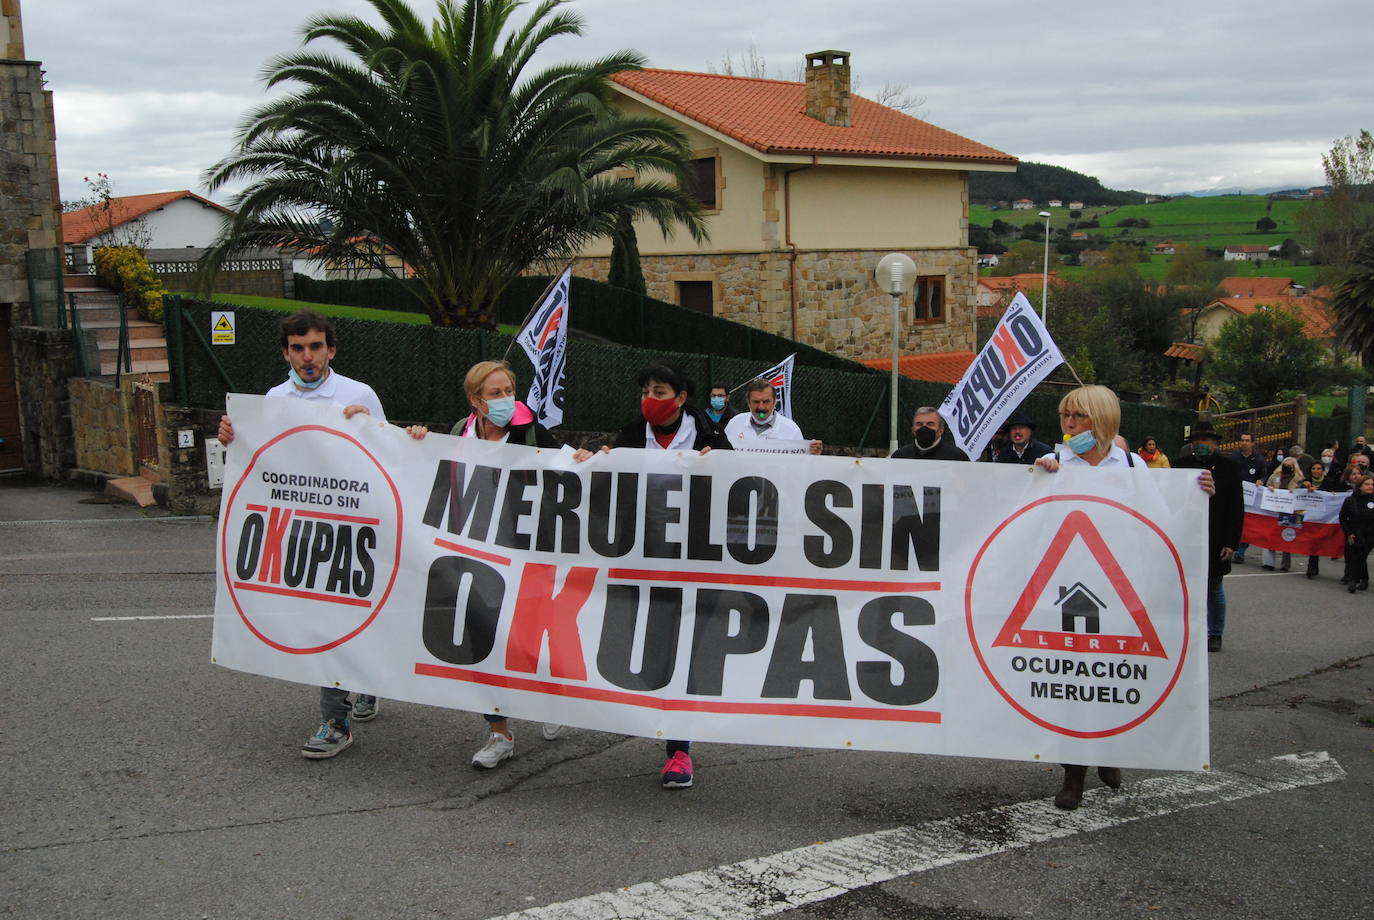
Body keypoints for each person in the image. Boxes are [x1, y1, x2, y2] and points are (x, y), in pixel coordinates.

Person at [1034, 385, 1214, 810]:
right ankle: (1073, 774)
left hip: (1121, 589)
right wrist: (1038, 477)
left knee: (1112, 675)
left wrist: (1197, 496)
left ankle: (1112, 751)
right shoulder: (1054, 464)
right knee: (1073, 685)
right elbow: (1029, 521)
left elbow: (1163, 522)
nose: (1069, 424)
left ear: (1102, 419)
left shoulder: (1132, 465)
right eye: (1065, 416)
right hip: (1068, 592)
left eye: (1078, 416)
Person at [217, 309, 386, 760]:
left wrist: (368, 426)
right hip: (304, 530)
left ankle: (362, 683)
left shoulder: (358, 393)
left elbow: (389, 455)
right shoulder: (274, 398)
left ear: (331, 349)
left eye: (315, 347)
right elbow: (265, 457)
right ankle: (336, 720)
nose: (307, 357)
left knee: (353, 615)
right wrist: (234, 436)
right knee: (323, 620)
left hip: (353, 527)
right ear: (286, 352)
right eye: (297, 348)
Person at [576, 360, 731, 788]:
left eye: (660, 392)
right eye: (646, 390)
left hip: (695, 566)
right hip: (640, 563)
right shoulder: (629, 435)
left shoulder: (710, 437)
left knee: (682, 653)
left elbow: (739, 489)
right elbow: (605, 488)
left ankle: (679, 750)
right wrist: (592, 462)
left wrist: (719, 467)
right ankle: (663, 715)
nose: (651, 400)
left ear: (681, 399)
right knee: (649, 655)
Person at [405, 360, 564, 769]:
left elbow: (568, 464)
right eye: (495, 394)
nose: (506, 399)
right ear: (475, 400)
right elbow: (428, 466)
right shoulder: (460, 432)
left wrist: (582, 456)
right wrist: (417, 439)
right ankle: (499, 732)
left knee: (527, 639)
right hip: (474, 555)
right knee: (479, 641)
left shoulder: (530, 431)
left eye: (509, 390)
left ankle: (547, 699)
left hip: (527, 554)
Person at [1175, 422, 1244, 652]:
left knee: (1213, 587)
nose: (1202, 444)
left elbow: (1236, 508)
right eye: (1197, 440)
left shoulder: (1229, 467)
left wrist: (1231, 542)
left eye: (1207, 440)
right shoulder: (1181, 465)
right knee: (1182, 586)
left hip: (1216, 535)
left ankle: (1215, 633)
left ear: (1215, 443)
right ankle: (1184, 629)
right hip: (1185, 534)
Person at [723, 378, 823, 454]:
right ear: (748, 403)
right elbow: (722, 454)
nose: (761, 407)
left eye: (766, 401)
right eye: (756, 402)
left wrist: (811, 452)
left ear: (775, 402)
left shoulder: (791, 429)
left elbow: (801, 463)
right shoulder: (735, 423)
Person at [1261, 457, 1307, 572]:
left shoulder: (1299, 479)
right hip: (1274, 509)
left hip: (1290, 510)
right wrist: (1270, 488)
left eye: (1289, 465)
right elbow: (1266, 488)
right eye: (1285, 465)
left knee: (1287, 535)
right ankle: (1268, 562)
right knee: (1270, 533)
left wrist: (1296, 491)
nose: (1286, 467)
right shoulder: (1274, 476)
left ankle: (1285, 564)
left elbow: (1302, 493)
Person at [1230, 432, 1268, 565]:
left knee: (1247, 525)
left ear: (1253, 443)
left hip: (1250, 498)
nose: (1244, 443)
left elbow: (1264, 475)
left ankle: (1240, 552)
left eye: (1247, 440)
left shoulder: (1259, 459)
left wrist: (1261, 481)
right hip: (1234, 495)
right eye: (1242, 440)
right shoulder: (1234, 457)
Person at [890, 407, 970, 461]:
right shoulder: (900, 456)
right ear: (913, 429)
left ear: (941, 430)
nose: (924, 428)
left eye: (930, 424)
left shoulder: (957, 457)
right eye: (919, 424)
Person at [1339, 475, 1374, 593]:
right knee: (1357, 556)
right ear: (1360, 487)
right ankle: (1362, 579)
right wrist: (1348, 533)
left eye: (1372, 484)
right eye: (1367, 484)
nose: (1370, 487)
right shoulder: (1350, 500)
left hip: (1371, 534)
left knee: (1361, 556)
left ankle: (1354, 580)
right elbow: (1342, 517)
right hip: (1356, 532)